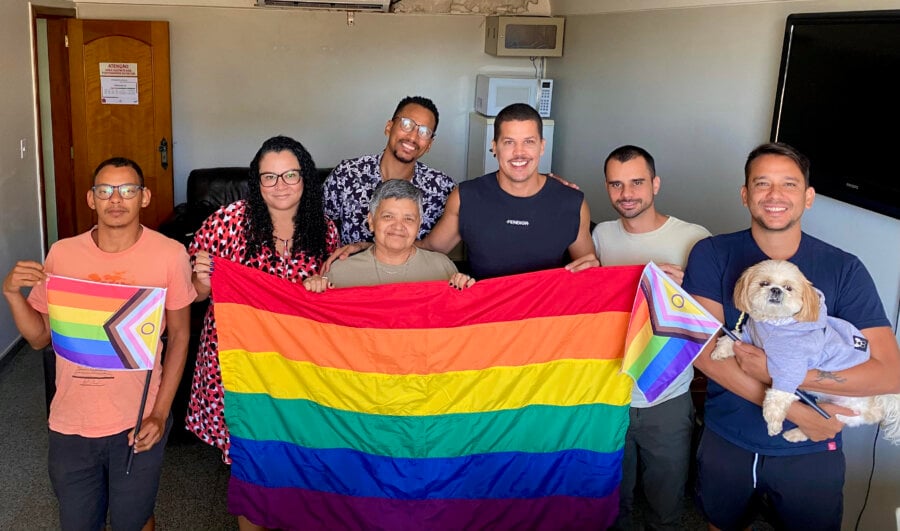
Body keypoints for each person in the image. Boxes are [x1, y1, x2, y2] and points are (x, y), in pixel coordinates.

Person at [683, 142, 900, 530]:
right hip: (728, 436)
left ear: (809, 197)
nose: (775, 195)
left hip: (813, 446)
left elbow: (889, 374)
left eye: (789, 184)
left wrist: (787, 374)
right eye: (762, 183)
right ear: (745, 194)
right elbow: (700, 350)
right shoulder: (712, 253)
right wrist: (794, 406)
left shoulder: (844, 269)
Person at [2, 157, 195, 531]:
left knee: (133, 520)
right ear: (92, 199)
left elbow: (181, 336)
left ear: (144, 197)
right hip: (71, 420)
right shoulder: (63, 253)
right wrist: (12, 295)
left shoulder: (170, 255)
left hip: (137, 419)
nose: (116, 199)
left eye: (128, 190)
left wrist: (159, 413)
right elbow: (41, 337)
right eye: (105, 191)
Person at [185, 136, 339, 530]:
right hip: (236, 362)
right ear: (256, 182)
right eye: (269, 177)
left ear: (305, 177)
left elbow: (333, 299)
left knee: (292, 451)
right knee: (250, 459)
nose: (280, 185)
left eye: (290, 174)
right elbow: (194, 292)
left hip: (294, 364)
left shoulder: (323, 230)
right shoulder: (227, 222)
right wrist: (201, 282)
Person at [593, 145, 710, 531]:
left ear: (656, 184)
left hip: (668, 395)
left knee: (666, 498)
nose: (627, 193)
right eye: (616, 184)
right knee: (612, 495)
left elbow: (709, 317)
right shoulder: (601, 235)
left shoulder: (694, 239)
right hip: (611, 390)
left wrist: (680, 288)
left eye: (637, 182)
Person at [418, 102, 598, 278]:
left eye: (529, 141)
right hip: (484, 306)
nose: (519, 152)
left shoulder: (572, 203)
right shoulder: (466, 197)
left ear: (542, 146)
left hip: (547, 308)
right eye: (509, 142)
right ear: (495, 147)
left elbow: (589, 274)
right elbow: (430, 250)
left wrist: (597, 269)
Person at [324, 95, 456, 244]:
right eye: (407, 124)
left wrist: (365, 248)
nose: (413, 137)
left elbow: (437, 247)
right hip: (353, 266)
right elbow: (317, 226)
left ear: (430, 144)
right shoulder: (347, 174)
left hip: (414, 267)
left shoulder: (442, 188)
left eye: (424, 132)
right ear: (389, 127)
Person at [305, 179, 474, 291]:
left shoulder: (442, 267)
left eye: (408, 219)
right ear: (371, 221)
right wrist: (312, 290)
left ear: (419, 225)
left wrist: (466, 288)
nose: (398, 226)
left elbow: (459, 318)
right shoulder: (340, 273)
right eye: (388, 217)